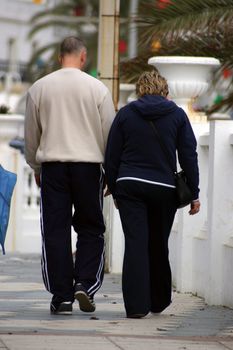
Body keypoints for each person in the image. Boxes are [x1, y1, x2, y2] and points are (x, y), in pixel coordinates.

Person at [24, 36, 115, 315]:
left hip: (53, 166)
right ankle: (84, 284)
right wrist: (110, 172)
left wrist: (36, 167)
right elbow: (109, 133)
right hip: (88, 167)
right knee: (91, 227)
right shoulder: (97, 89)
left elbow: (31, 135)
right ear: (83, 57)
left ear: (59, 56)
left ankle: (61, 296)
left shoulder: (39, 88)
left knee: (55, 230)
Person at [104, 70, 200, 319]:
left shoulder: (126, 113)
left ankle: (136, 308)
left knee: (135, 244)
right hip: (163, 189)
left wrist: (114, 188)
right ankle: (158, 300)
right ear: (165, 91)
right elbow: (189, 155)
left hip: (130, 185)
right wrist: (194, 193)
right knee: (158, 243)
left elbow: (112, 156)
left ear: (140, 90)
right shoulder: (177, 115)